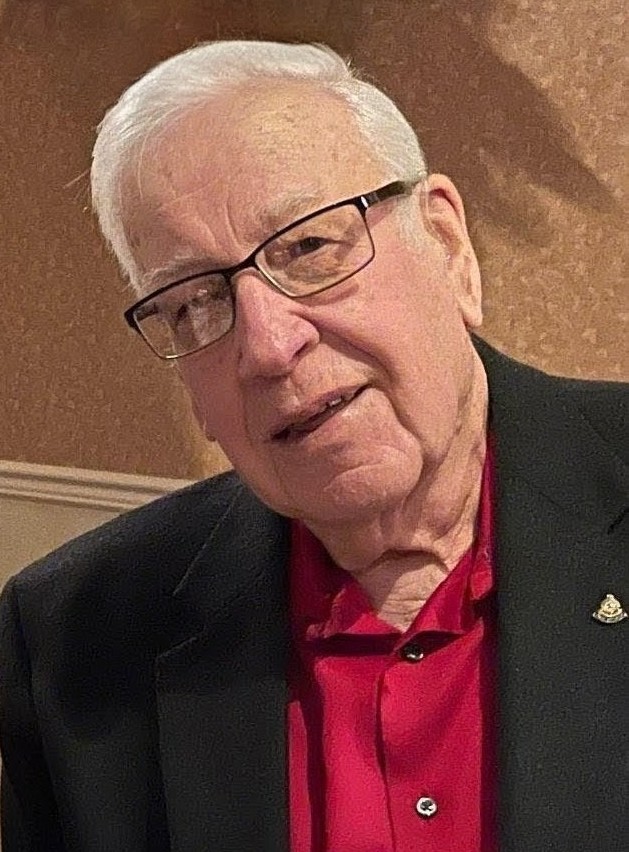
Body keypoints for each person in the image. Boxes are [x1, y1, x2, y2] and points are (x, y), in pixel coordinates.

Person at [0, 40, 626, 852]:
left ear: (447, 245)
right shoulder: (72, 645)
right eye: (193, 303)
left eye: (307, 249)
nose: (267, 347)